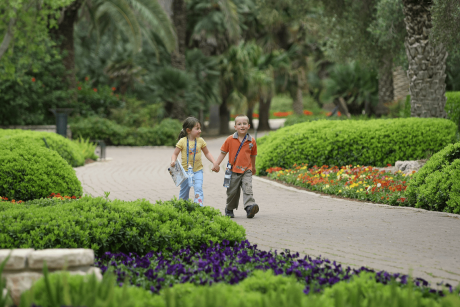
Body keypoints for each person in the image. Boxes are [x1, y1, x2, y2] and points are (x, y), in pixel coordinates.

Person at [215, 115, 259, 218]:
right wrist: (216, 164)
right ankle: (229, 209)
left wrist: (253, 167)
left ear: (248, 126)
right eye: (239, 124)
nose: (242, 126)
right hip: (233, 170)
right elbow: (223, 152)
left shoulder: (251, 141)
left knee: (248, 188)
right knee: (232, 192)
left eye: (244, 124)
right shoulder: (230, 139)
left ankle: (249, 207)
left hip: (246, 170)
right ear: (235, 127)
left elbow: (253, 155)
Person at [170, 117, 220, 206]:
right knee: (184, 191)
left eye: (200, 128)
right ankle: (182, 207)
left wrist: (214, 162)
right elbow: (175, 154)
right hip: (185, 172)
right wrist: (173, 161)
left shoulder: (201, 141)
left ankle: (198, 207)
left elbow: (207, 153)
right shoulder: (182, 141)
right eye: (197, 128)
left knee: (198, 188)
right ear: (188, 130)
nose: (200, 130)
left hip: (198, 171)